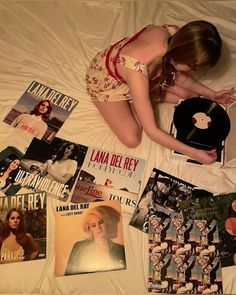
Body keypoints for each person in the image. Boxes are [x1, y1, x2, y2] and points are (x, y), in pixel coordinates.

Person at [86, 20, 236, 164]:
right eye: (193, 68)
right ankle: (135, 101)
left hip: (136, 73)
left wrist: (212, 94)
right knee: (132, 139)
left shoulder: (173, 35)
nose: (194, 72)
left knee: (189, 96)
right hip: (106, 82)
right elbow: (152, 131)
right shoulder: (137, 72)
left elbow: (178, 76)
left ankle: (141, 98)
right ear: (183, 58)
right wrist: (194, 153)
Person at [65, 205, 126, 275]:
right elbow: (68, 274)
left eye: (101, 222)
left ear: (106, 222)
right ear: (89, 228)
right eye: (93, 225)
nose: (98, 227)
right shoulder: (78, 247)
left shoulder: (121, 250)